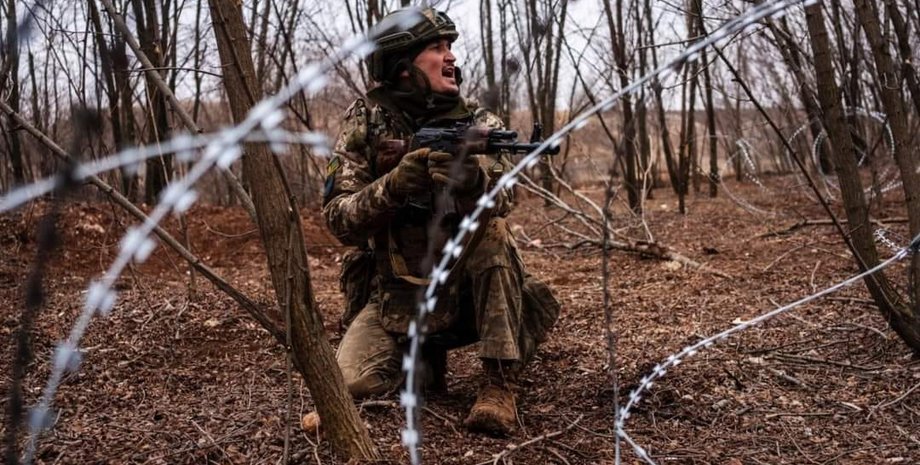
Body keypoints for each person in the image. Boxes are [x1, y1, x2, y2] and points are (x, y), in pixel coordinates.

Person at [322, 7, 559, 436]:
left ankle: (499, 384)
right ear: (403, 65)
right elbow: (338, 220)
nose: (450, 56)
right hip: (397, 295)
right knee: (354, 382)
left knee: (493, 231)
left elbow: (506, 198)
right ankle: (425, 361)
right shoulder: (367, 120)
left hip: (466, 293)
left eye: (450, 46)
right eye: (436, 47)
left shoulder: (479, 122)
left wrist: (474, 183)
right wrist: (393, 186)